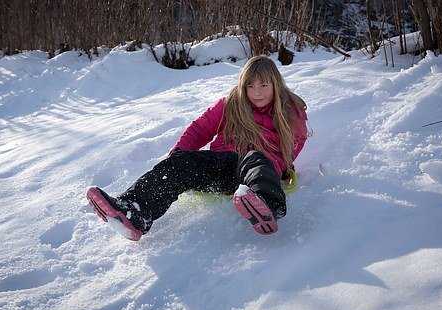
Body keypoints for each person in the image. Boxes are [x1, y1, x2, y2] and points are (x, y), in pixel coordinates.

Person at [86, 55, 308, 241]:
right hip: (223, 165)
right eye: (250, 86)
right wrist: (178, 157)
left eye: (263, 85)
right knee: (182, 164)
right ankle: (133, 213)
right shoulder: (231, 104)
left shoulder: (290, 110)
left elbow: (294, 145)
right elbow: (200, 129)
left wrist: (278, 165)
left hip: (259, 166)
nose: (256, 92)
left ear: (275, 84)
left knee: (256, 160)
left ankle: (266, 206)